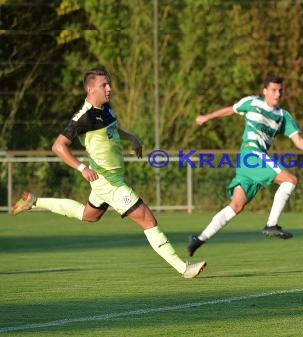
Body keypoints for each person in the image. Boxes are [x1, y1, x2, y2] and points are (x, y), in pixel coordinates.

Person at [11, 67, 206, 279]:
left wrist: (130, 137)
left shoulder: (105, 109)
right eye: (104, 85)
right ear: (90, 89)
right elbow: (58, 146)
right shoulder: (83, 117)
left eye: (109, 83)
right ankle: (183, 268)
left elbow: (111, 129)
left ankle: (34, 201)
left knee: (89, 215)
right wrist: (81, 168)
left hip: (108, 179)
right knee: (148, 220)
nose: (109, 88)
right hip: (107, 181)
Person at [188, 74, 303, 256]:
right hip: (251, 155)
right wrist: (206, 117)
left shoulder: (283, 116)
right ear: (265, 91)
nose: (277, 94)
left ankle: (199, 238)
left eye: (280, 90)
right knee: (290, 180)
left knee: (237, 206)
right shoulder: (252, 103)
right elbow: (230, 110)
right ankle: (271, 224)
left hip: (249, 163)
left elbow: (299, 141)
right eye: (273, 90)